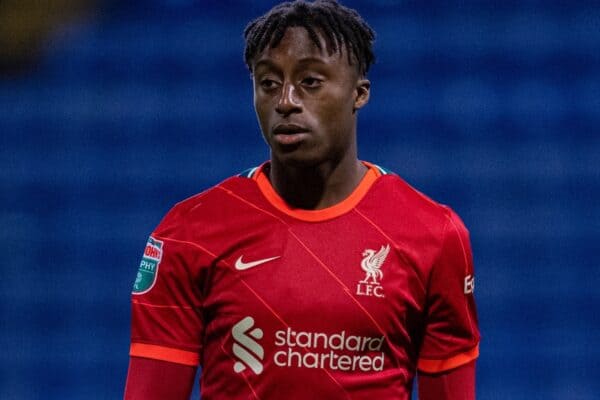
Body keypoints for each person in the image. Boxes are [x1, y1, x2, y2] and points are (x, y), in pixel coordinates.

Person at [124, 1, 480, 399]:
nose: (286, 101)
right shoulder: (189, 232)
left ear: (358, 93)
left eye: (310, 81)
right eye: (269, 83)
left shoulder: (434, 235)